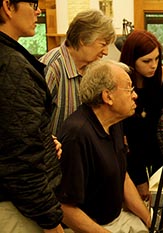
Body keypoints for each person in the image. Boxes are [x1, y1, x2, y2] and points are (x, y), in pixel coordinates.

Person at [56, 59, 151, 232]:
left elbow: (122, 176)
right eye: (129, 88)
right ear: (108, 97)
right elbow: (64, 208)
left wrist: (149, 219)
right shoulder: (77, 135)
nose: (135, 95)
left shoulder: (114, 122)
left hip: (116, 219)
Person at [0, 1, 64, 232]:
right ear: (8, 6)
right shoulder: (12, 67)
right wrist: (51, 221)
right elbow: (19, 161)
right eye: (33, 3)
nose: (38, 10)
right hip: (17, 207)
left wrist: (45, 142)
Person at [40, 9, 116, 135]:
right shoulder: (52, 68)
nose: (106, 52)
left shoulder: (91, 68)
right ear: (83, 39)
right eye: (103, 44)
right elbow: (35, 123)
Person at [119, 29, 163, 200]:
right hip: (132, 155)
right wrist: (140, 179)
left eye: (157, 58)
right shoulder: (121, 83)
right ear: (131, 60)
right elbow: (128, 138)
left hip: (159, 151)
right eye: (147, 61)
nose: (154, 65)